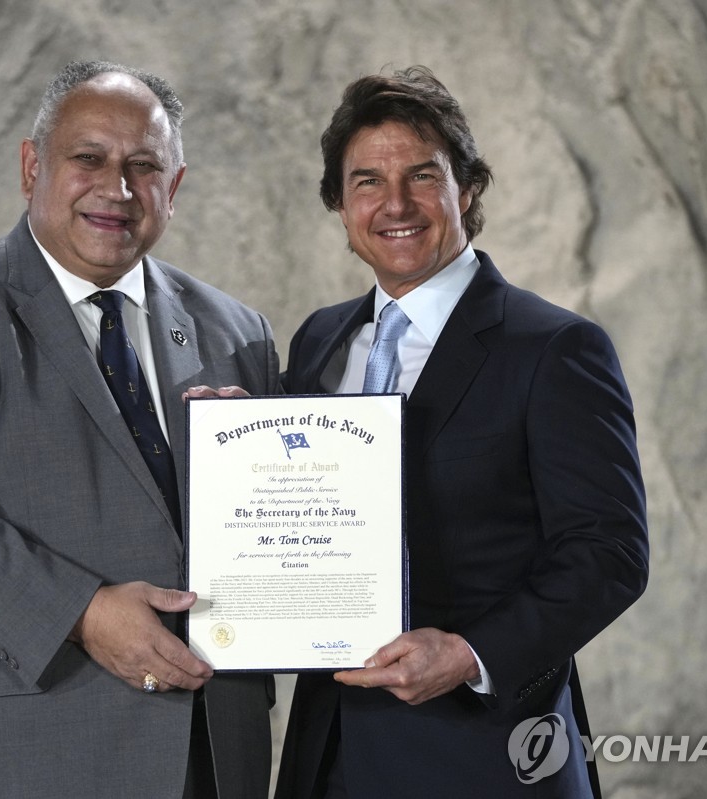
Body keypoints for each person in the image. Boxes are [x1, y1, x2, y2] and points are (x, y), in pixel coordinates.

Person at [0, 60, 278, 798]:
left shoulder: (238, 332)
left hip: (204, 755)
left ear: (172, 190)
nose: (118, 188)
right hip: (6, 755)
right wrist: (81, 611)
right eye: (89, 160)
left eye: (144, 167)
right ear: (31, 166)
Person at [274, 66, 649, 798]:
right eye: (367, 182)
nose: (396, 204)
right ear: (339, 204)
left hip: (483, 756)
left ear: (466, 188)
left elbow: (610, 553)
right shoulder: (319, 341)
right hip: (329, 750)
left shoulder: (553, 348)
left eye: (422, 175)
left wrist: (471, 652)